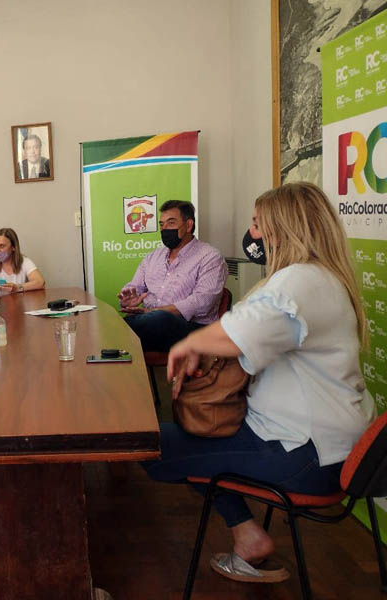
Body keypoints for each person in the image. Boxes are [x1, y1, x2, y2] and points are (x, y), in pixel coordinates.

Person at [143, 183, 375, 584]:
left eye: (256, 224)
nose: (251, 234)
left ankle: (245, 533)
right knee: (196, 445)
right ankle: (248, 536)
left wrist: (190, 342)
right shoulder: (323, 278)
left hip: (303, 453)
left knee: (148, 445)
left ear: (282, 229)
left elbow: (236, 334)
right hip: (333, 445)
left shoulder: (299, 281)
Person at [118, 200, 227, 352]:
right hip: (149, 322)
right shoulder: (153, 257)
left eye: (171, 223)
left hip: (192, 329)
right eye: (161, 225)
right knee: (117, 322)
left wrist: (157, 311)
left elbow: (203, 302)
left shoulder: (210, 257)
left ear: (188, 225)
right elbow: (134, 286)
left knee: (159, 319)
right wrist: (128, 300)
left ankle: (116, 336)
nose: (164, 229)